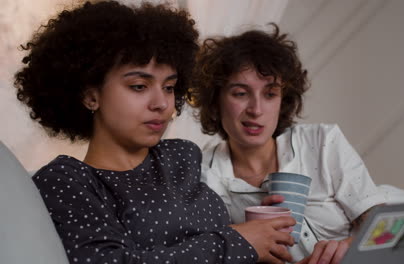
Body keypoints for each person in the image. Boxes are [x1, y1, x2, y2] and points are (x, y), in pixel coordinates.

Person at [14, 2, 295, 263]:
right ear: (91, 96)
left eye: (169, 87)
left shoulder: (182, 156)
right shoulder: (66, 182)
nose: (161, 103)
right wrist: (235, 243)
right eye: (139, 86)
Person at [189, 24, 387, 264]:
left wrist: (351, 247)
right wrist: (251, 240)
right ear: (215, 99)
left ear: (283, 100)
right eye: (240, 93)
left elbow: (385, 226)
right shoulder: (201, 175)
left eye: (270, 94)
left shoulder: (322, 142)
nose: (256, 110)